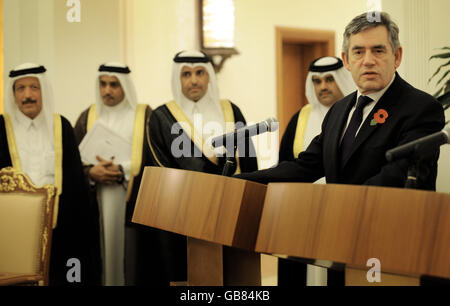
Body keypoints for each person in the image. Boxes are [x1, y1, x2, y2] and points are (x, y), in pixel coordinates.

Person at [236, 12, 445, 285]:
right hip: (342, 249)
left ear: (397, 56)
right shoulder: (339, 110)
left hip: (393, 250)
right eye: (358, 51)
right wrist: (239, 182)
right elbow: (304, 166)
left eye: (378, 50)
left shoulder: (420, 108)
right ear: (346, 60)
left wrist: (332, 211)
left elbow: (396, 176)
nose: (368, 60)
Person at [147, 50, 259, 285]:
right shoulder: (162, 117)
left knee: (234, 276)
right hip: (181, 213)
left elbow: (248, 159)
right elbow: (159, 168)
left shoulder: (231, 110)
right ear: (178, 79)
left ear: (210, 76)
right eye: (186, 74)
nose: (194, 80)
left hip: (230, 209)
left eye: (200, 73)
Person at [0, 63, 101, 286]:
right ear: (13, 94)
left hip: (60, 228)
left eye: (34, 87)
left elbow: (75, 183)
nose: (28, 95)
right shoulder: (1, 128)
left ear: (43, 90)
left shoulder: (61, 126)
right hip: (12, 232)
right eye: (20, 88)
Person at [278, 56, 356, 286]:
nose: (323, 86)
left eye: (330, 79)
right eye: (317, 81)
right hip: (302, 215)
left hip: (344, 214)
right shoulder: (299, 118)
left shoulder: (356, 114)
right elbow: (287, 166)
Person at [74, 63, 153, 286]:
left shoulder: (144, 115)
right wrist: (91, 172)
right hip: (96, 200)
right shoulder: (87, 117)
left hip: (132, 199)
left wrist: (122, 170)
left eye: (114, 84)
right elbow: (71, 163)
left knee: (131, 261)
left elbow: (154, 159)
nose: (107, 90)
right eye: (103, 84)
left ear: (125, 86)